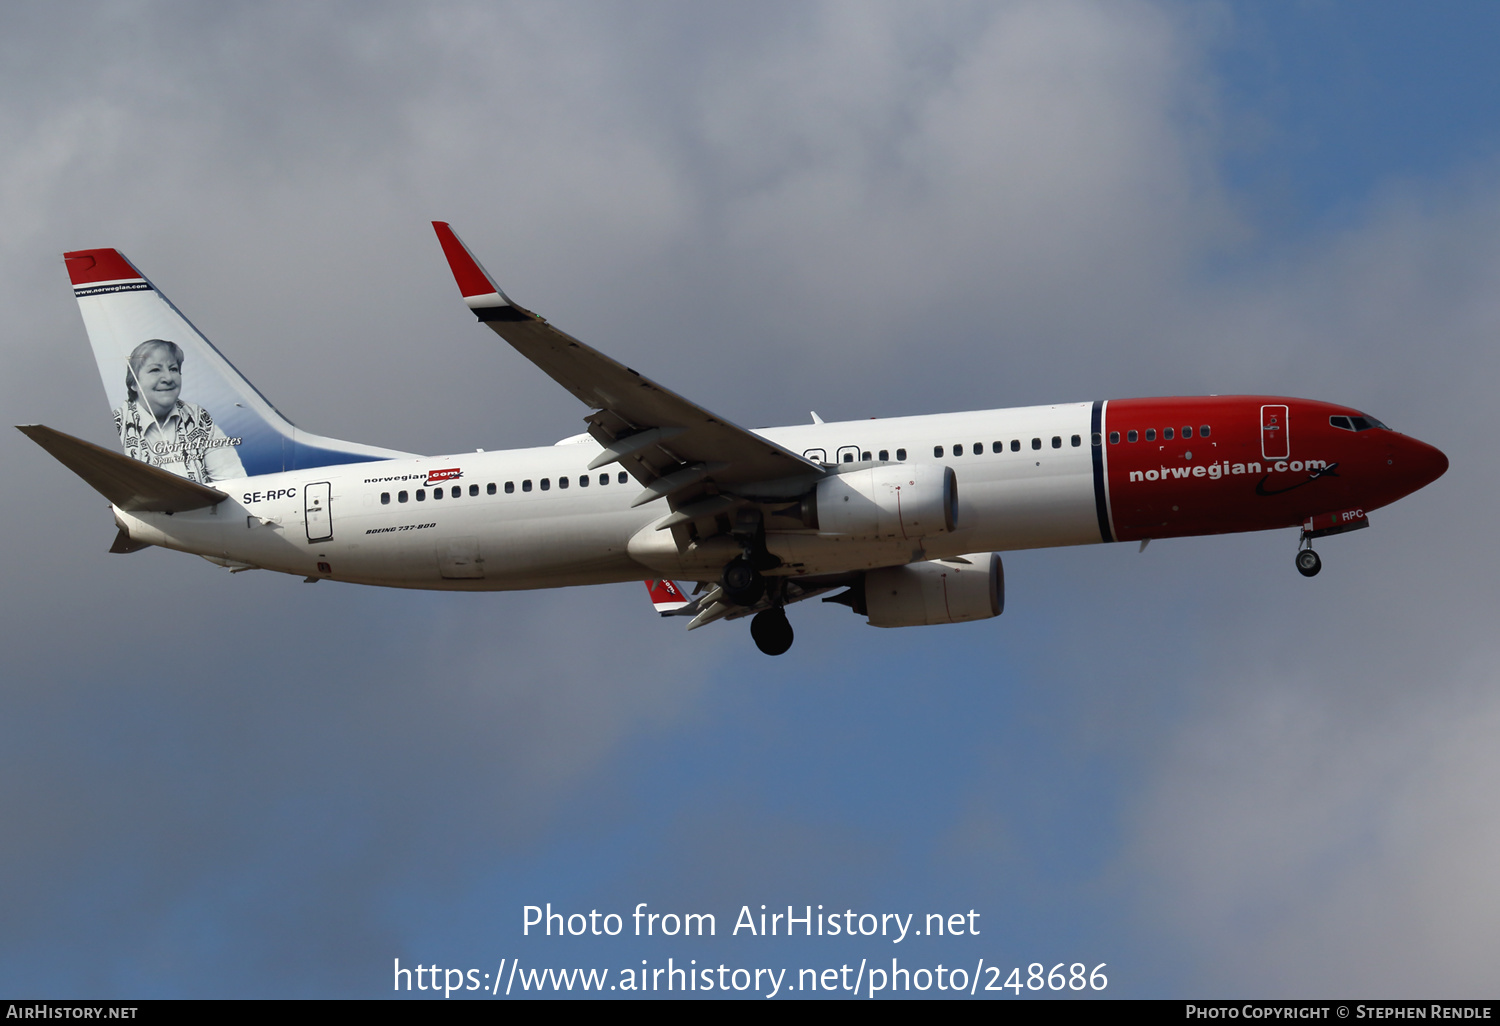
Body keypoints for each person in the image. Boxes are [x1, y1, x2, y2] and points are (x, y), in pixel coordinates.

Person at [113, 338, 246, 484]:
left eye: (173, 369)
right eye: (155, 370)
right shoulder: (117, 425)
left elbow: (233, 482)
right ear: (133, 383)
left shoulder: (197, 417)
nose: (168, 378)